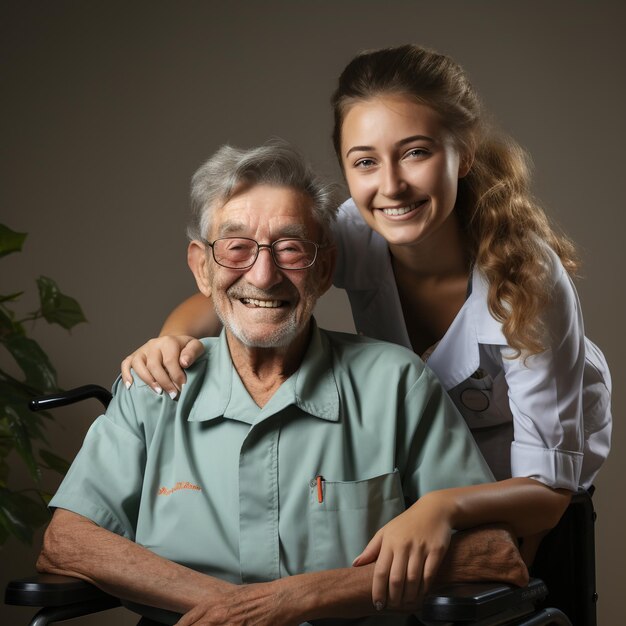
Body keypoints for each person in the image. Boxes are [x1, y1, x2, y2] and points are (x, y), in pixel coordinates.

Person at [120, 45, 612, 609]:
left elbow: (547, 493)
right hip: (421, 474)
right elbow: (238, 283)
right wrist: (170, 339)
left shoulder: (528, 278)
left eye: (416, 153)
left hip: (525, 488)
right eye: (365, 162)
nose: (392, 186)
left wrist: (442, 506)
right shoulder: (354, 232)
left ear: (465, 154)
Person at [38, 143, 528, 626]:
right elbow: (67, 540)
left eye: (291, 248)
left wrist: (296, 600)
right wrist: (225, 606)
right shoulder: (152, 386)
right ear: (201, 268)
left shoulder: (396, 383)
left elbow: (492, 555)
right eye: (236, 249)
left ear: (324, 270)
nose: (264, 274)